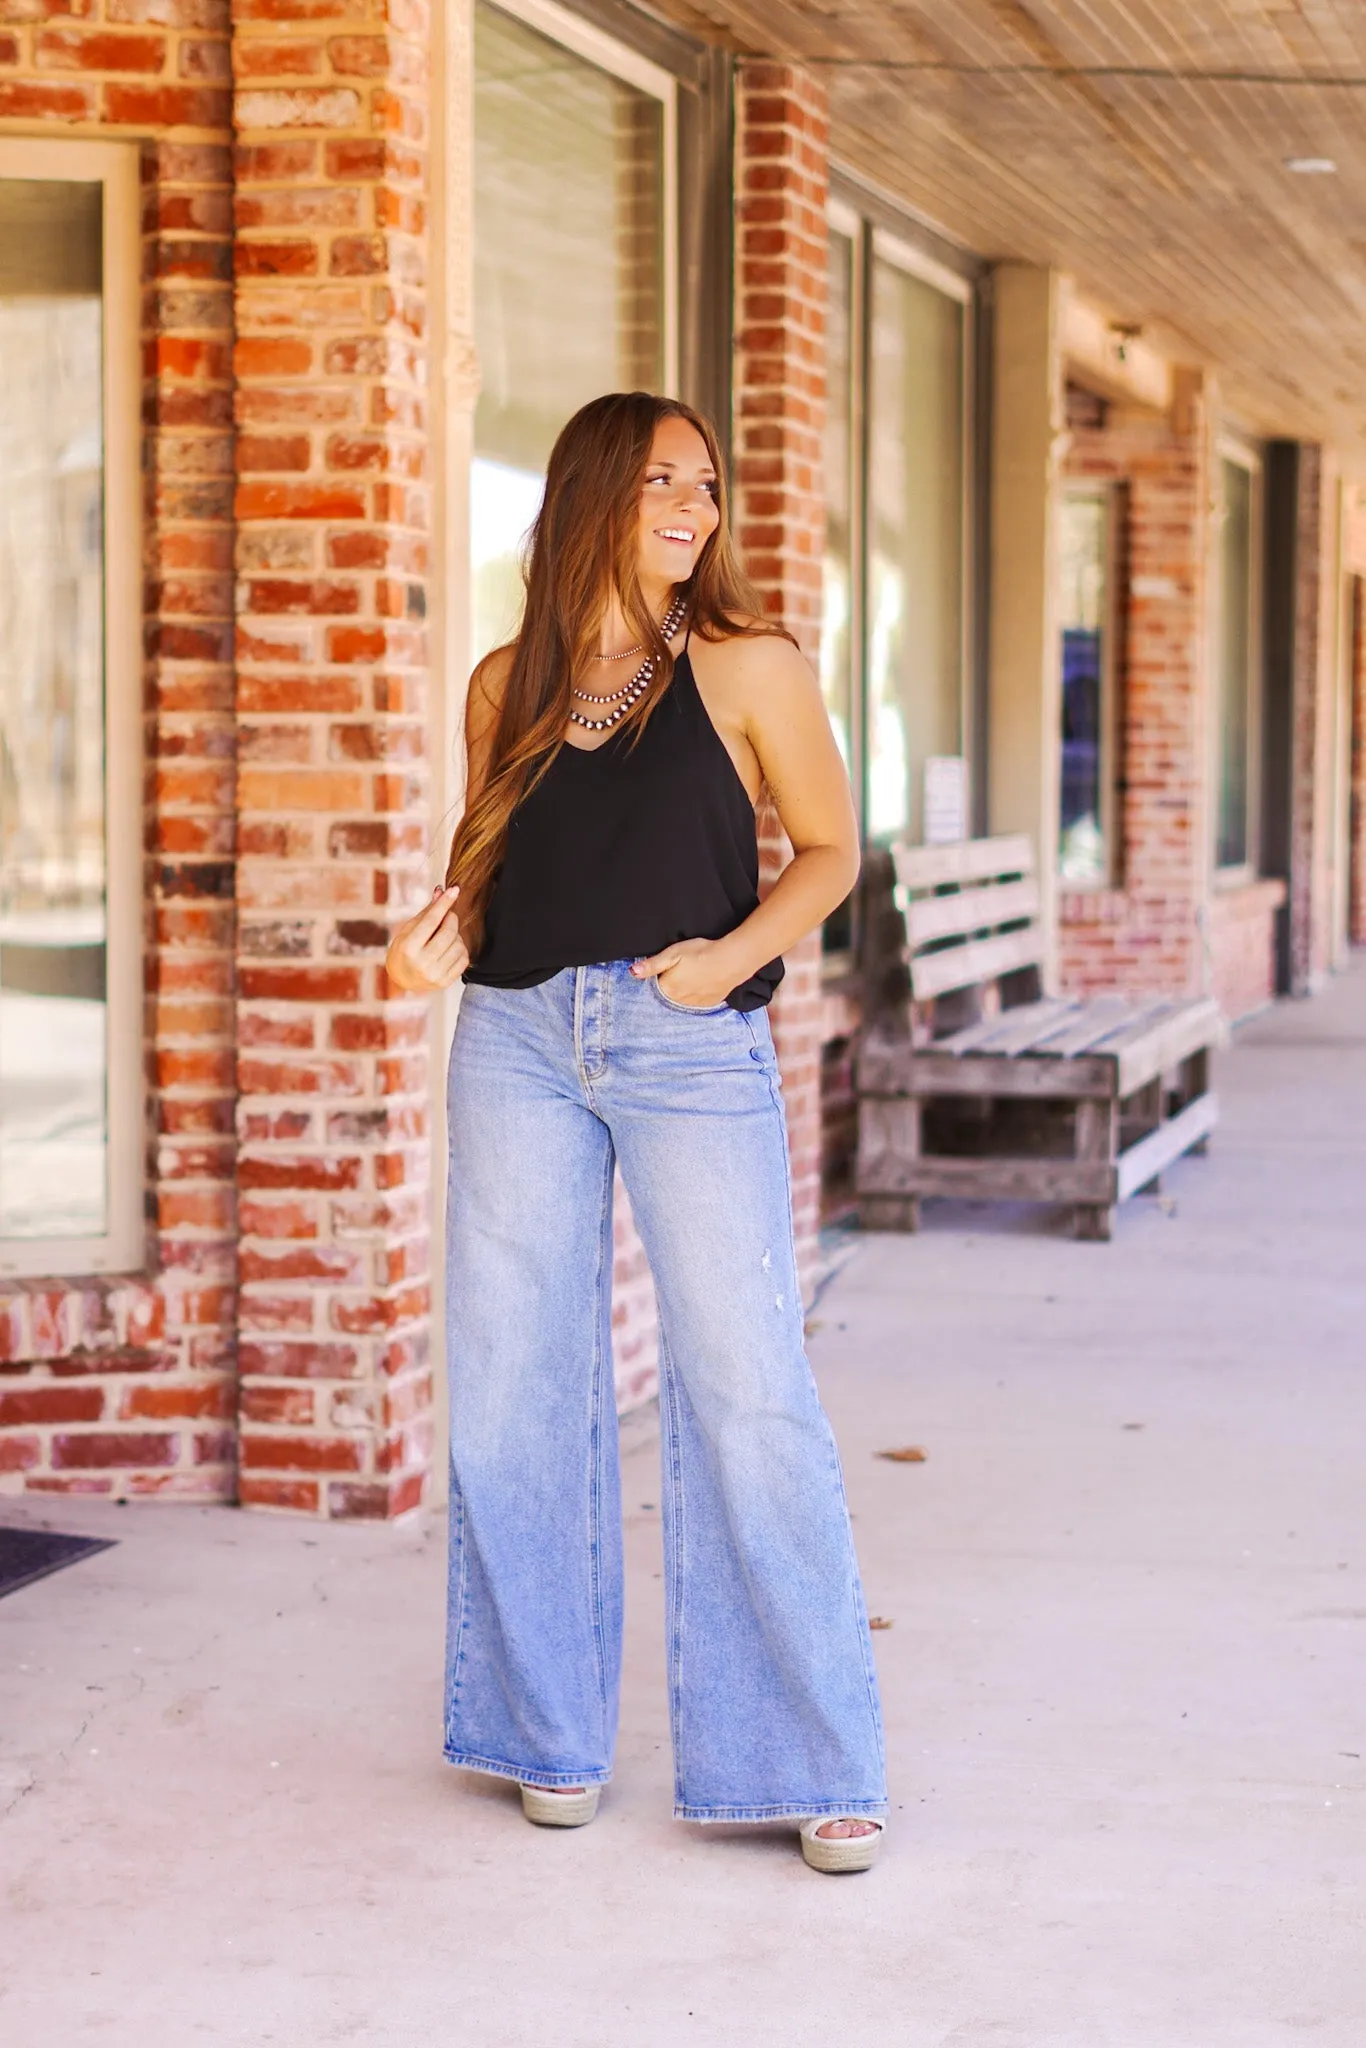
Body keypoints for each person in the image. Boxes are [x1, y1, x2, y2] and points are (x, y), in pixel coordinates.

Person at [386, 391, 887, 1873]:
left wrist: (725, 966)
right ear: (590, 490)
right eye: (662, 476)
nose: (693, 503)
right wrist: (430, 946)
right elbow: (493, 877)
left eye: (708, 482)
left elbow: (829, 850)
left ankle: (808, 1753)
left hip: (687, 1043)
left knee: (746, 1387)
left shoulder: (748, 664)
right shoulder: (506, 685)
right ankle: (542, 1730)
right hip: (520, 1041)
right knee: (515, 1381)